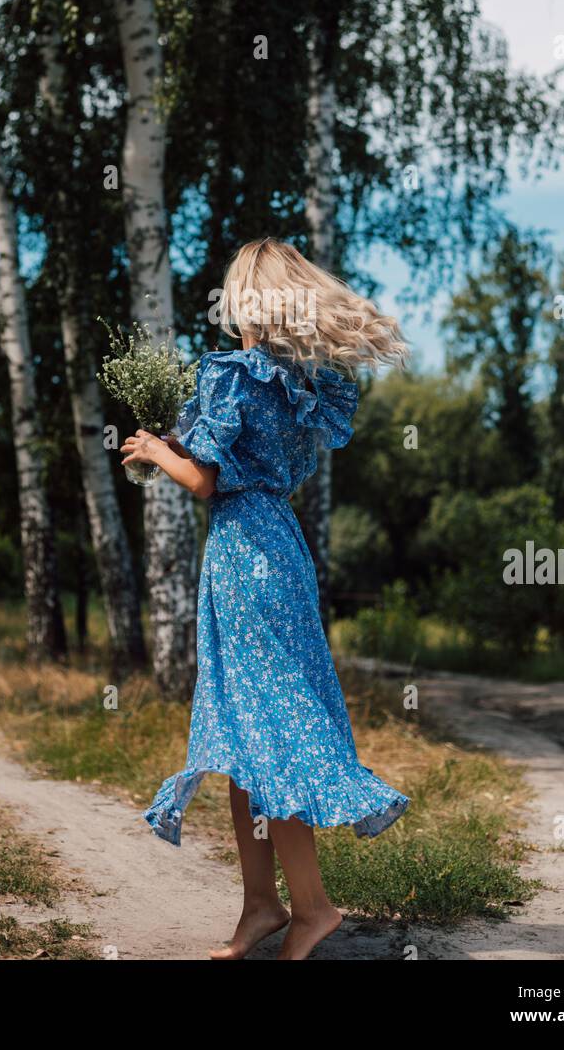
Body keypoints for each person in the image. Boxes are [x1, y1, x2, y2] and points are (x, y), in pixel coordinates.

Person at [121, 237, 410, 961]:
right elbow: (238, 465)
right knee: (245, 739)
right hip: (278, 546)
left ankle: (312, 908)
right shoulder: (296, 382)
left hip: (245, 557)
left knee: (270, 739)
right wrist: (176, 444)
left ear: (248, 300)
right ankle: (260, 905)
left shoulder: (234, 376)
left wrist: (155, 452)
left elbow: (208, 483)